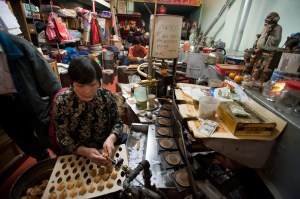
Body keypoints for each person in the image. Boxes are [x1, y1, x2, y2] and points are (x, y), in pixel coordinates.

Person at [53, 56, 127, 166]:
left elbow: (118, 122)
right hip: (81, 155)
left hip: (107, 149)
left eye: (92, 84)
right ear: (72, 82)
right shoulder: (63, 102)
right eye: (80, 85)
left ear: (99, 81)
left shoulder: (106, 96)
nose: (87, 91)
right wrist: (84, 151)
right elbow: (62, 137)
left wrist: (111, 138)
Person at [0, 31, 62, 161]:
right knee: (24, 139)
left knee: (47, 134)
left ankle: (56, 158)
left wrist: (60, 104)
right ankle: (43, 159)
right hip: (3, 106)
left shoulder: (18, 46)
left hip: (28, 99)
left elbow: (49, 81)